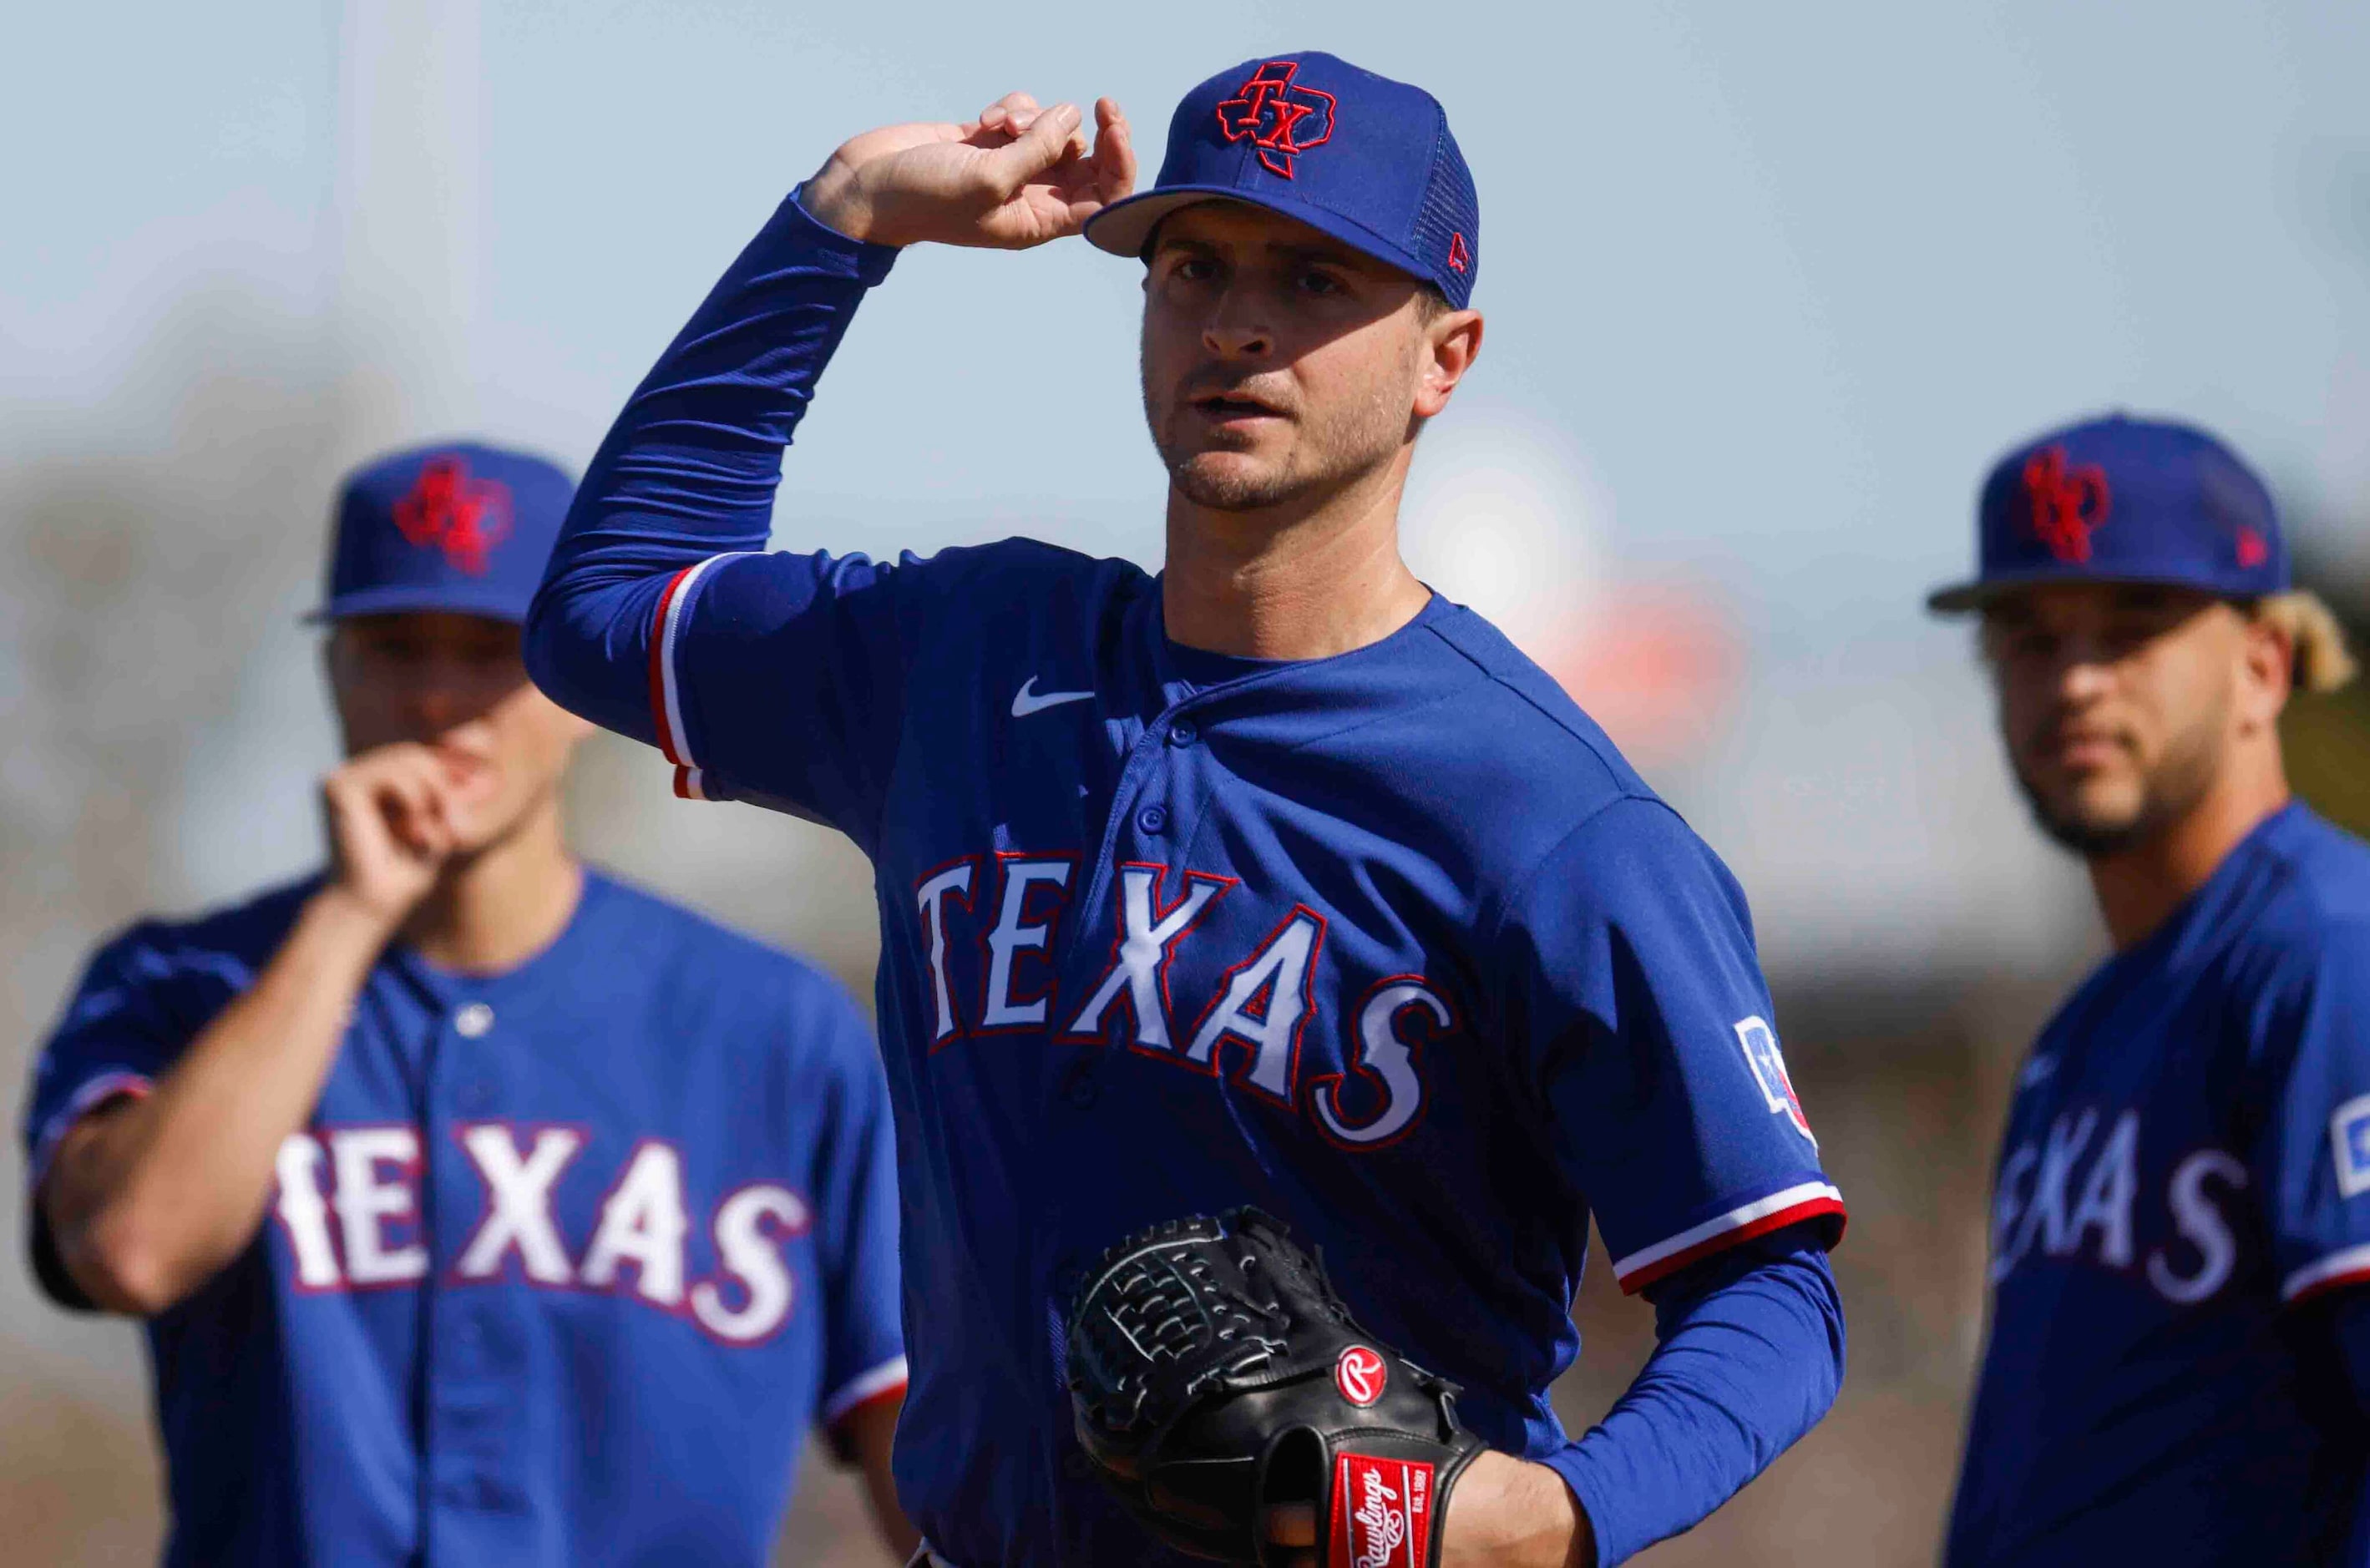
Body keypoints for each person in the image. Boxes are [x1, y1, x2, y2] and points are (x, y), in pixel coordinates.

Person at [527, 53, 1846, 1568]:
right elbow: (600, 611)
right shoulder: (966, 659)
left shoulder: (1546, 819)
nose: (1235, 323)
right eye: (1191, 267)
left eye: (1311, 275)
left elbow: (1769, 1286)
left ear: (1444, 356)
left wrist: (1552, 1518)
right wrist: (844, 219)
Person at [22, 441, 915, 1567]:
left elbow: (918, 1443)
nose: (438, 701)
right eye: (394, 649)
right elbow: (131, 1250)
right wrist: (350, 915)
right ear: (333, 672)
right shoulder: (173, 986)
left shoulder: (774, 1030)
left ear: (584, 683)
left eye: (492, 651)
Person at [1930, 413, 2370, 1565]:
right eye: (2029, 636)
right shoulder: (2077, 1035)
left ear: (2262, 667)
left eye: (2130, 630)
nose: (2074, 679)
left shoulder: (2327, 954)